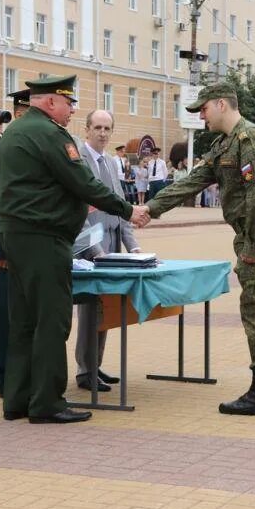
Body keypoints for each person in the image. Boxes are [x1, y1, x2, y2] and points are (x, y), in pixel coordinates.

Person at [0, 75, 149, 424]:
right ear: (50, 102)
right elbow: (83, 183)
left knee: (23, 321)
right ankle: (47, 403)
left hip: (18, 236)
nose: (72, 110)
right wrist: (128, 210)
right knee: (52, 320)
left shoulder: (18, 131)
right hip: (44, 238)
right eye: (68, 103)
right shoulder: (50, 134)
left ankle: (18, 399)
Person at [144, 83, 255, 416]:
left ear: (222, 104)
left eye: (204, 109)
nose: (201, 116)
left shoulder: (248, 139)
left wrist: (253, 245)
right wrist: (150, 208)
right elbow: (191, 182)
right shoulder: (225, 143)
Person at [74, 109, 142, 393]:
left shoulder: (113, 163)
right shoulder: (79, 160)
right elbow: (80, 210)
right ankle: (84, 371)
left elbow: (119, 205)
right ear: (87, 129)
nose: (102, 133)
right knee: (91, 310)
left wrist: (133, 246)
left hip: (113, 244)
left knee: (107, 309)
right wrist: (96, 250)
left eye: (107, 128)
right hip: (91, 248)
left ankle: (96, 364)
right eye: (97, 127)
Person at [0, 89, 30, 396]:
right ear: (22, 113)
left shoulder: (27, 147)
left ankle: (23, 378)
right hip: (6, 251)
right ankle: (6, 380)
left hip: (28, 249)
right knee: (5, 314)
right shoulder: (1, 152)